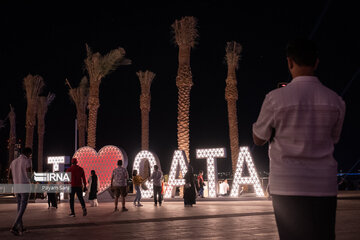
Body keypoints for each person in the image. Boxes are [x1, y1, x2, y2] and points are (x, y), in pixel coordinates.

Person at [253, 39, 345, 239]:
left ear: (289, 62)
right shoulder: (335, 101)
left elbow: (258, 138)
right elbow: (334, 138)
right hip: (324, 184)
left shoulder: (275, 98)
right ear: (316, 62)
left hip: (288, 185)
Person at [8, 147, 32, 236]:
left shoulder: (13, 162)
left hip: (16, 186)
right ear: (27, 153)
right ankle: (14, 227)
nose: (30, 155)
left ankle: (20, 228)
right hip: (24, 185)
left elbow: (9, 176)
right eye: (30, 154)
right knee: (22, 208)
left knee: (19, 207)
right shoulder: (27, 160)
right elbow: (29, 175)